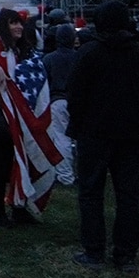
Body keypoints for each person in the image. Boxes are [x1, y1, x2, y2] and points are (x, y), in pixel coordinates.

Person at [66, 1, 139, 274]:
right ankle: (125, 255)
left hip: (95, 133)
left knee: (91, 193)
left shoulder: (88, 54)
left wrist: (79, 125)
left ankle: (94, 251)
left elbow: (76, 96)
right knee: (128, 195)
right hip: (131, 134)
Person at [0, 8, 61, 227]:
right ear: (2, 25)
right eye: (13, 23)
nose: (18, 27)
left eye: (20, 23)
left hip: (21, 118)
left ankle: (19, 207)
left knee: (20, 162)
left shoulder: (22, 50)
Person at [43, 24, 79, 186]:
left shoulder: (49, 59)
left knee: (61, 138)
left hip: (58, 100)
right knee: (81, 139)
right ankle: (84, 173)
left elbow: (44, 82)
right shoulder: (80, 57)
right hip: (79, 100)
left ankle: (65, 175)